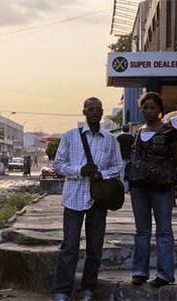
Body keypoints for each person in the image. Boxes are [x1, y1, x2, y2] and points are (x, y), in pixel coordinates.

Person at [51, 97, 123, 301]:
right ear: (84, 112)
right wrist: (79, 170)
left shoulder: (110, 140)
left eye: (98, 109)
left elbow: (118, 167)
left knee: (95, 247)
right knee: (70, 247)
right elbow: (59, 164)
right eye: (90, 109)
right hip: (73, 199)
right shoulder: (70, 137)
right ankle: (62, 291)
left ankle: (87, 289)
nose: (94, 112)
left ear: (101, 113)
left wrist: (102, 175)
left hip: (98, 201)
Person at [126, 92, 177, 288]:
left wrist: (158, 169)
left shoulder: (170, 132)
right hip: (139, 188)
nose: (148, 111)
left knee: (164, 231)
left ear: (160, 111)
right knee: (142, 231)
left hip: (162, 188)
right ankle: (139, 272)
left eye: (152, 108)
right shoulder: (139, 131)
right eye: (145, 108)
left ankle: (164, 274)